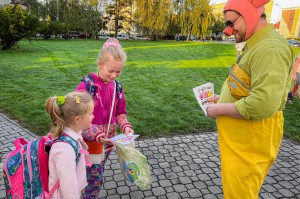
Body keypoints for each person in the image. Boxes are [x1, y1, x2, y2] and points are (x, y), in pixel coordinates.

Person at [206, 0, 294, 198]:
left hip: (249, 145)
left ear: (248, 14)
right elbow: (249, 88)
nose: (228, 31)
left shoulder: (269, 49)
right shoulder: (257, 44)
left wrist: (219, 110)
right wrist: (225, 100)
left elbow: (263, 103)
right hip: (241, 144)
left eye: (231, 23)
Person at [76, 38, 134, 198]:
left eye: (119, 71)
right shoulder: (87, 86)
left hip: (107, 143)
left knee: (96, 173)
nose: (114, 75)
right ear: (100, 64)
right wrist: (97, 135)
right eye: (111, 71)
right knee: (94, 179)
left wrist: (125, 126)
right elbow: (77, 117)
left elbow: (120, 113)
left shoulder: (118, 87)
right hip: (89, 143)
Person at [45, 92, 94, 198]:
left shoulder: (75, 134)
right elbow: (68, 185)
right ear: (77, 119)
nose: (93, 116)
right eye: (90, 114)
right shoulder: (64, 148)